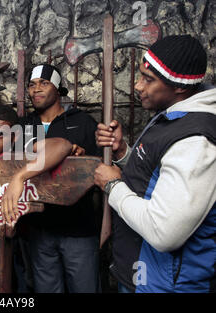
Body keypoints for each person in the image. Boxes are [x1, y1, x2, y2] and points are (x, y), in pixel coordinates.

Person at [94, 35, 216, 293]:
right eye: (140, 76)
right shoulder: (175, 117)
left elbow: (165, 232)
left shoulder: (196, 141)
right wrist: (123, 152)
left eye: (148, 80)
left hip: (164, 286)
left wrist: (112, 186)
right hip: (143, 276)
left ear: (179, 87)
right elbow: (155, 179)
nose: (138, 86)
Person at [2, 63, 102, 293]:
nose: (36, 89)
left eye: (44, 83)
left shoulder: (83, 123)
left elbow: (99, 170)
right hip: (39, 229)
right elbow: (8, 163)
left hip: (78, 228)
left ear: (58, 89)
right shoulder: (24, 126)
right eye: (32, 85)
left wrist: (80, 158)